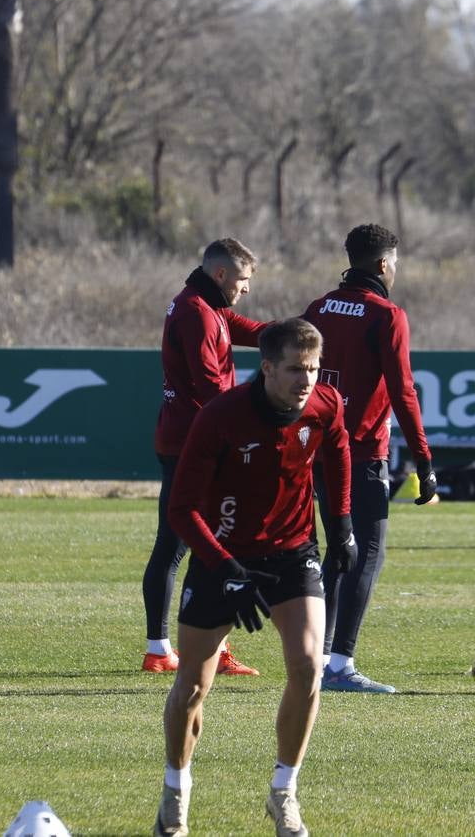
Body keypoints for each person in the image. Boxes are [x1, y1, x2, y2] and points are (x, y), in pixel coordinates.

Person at [154, 318, 354, 837]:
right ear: (267, 368)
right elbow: (182, 510)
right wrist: (225, 568)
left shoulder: (325, 404)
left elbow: (338, 453)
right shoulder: (220, 418)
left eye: (312, 368)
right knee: (193, 686)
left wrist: (344, 528)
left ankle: (283, 793)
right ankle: (176, 790)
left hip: (292, 553)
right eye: (294, 369)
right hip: (222, 555)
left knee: (310, 666)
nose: (305, 379)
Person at [301, 222, 437, 694]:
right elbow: (402, 391)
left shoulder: (319, 307)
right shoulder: (387, 315)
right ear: (383, 264)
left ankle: (316, 659)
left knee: (332, 549)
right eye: (395, 262)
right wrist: (423, 460)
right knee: (366, 553)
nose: (395, 270)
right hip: (359, 454)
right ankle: (340, 664)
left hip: (313, 450)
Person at [145, 238, 267, 677]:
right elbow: (210, 385)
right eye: (244, 279)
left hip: (190, 439)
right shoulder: (197, 311)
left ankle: (199, 648)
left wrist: (295, 334)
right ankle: (162, 649)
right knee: (181, 547)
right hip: (192, 444)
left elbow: (246, 328)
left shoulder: (206, 305)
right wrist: (255, 418)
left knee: (204, 545)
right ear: (221, 275)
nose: (247, 288)